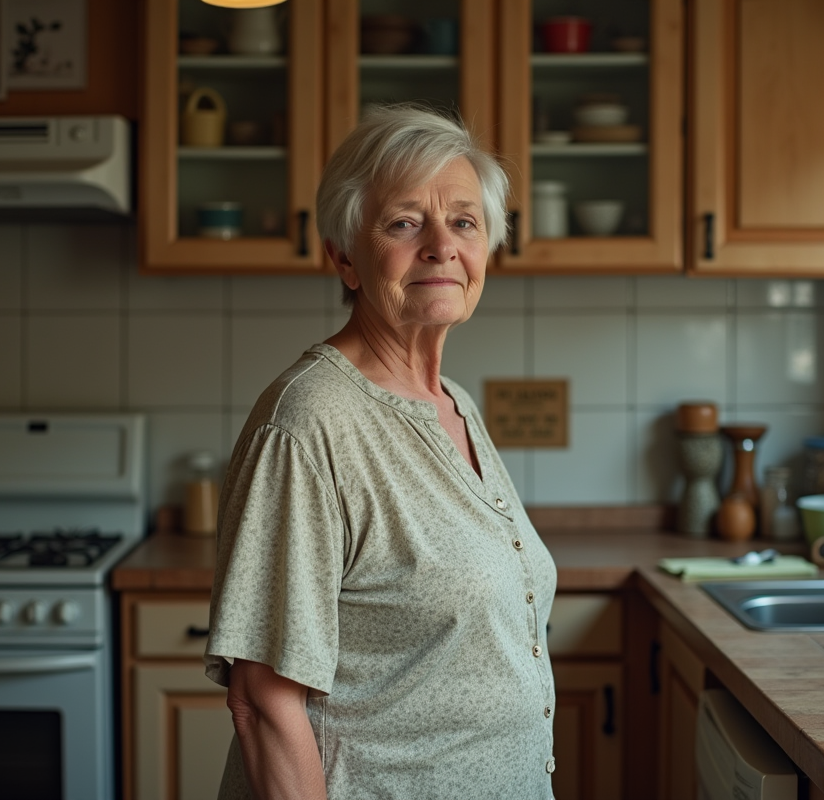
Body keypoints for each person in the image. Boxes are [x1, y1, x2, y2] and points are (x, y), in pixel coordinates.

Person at [204, 104, 558, 799]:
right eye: (403, 223)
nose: (441, 246)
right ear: (343, 256)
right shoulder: (308, 422)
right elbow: (264, 702)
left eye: (463, 221)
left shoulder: (453, 402)